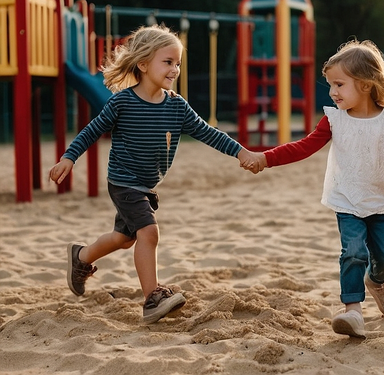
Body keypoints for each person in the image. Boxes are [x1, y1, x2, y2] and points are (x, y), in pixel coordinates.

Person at [49, 24, 258, 324]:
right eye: (168, 61)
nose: (175, 69)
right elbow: (92, 129)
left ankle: (81, 257)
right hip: (123, 182)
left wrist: (241, 152)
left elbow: (209, 133)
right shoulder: (122, 102)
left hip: (145, 185)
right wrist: (70, 157)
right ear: (144, 63)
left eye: (178, 63)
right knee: (149, 232)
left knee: (123, 238)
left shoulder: (177, 106)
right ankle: (152, 298)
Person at [247, 39, 384, 339]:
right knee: (353, 252)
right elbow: (303, 147)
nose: (332, 92)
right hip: (347, 201)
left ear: (367, 84)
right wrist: (266, 158)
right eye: (330, 85)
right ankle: (353, 311)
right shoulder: (334, 120)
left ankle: (377, 282)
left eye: (339, 84)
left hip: (383, 203)